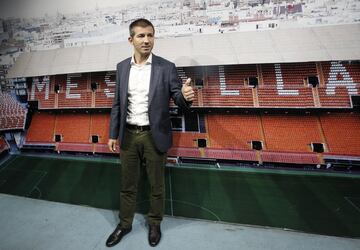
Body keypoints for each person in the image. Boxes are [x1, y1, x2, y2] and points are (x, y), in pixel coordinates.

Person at [106, 18, 195, 247]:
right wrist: (113, 134)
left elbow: (178, 99)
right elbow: (117, 103)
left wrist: (185, 97)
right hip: (128, 135)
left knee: (156, 185)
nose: (146, 40)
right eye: (141, 36)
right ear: (131, 39)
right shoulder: (122, 67)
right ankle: (124, 224)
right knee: (127, 185)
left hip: (154, 135)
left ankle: (155, 223)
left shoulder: (166, 67)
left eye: (150, 35)